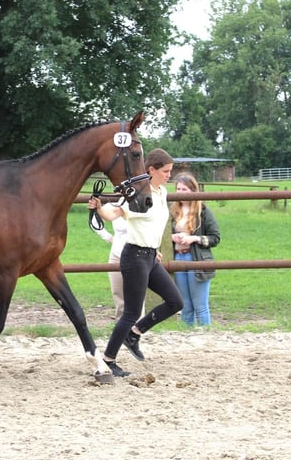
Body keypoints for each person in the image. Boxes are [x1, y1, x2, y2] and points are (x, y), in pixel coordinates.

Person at [87, 148, 183, 377]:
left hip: (150, 256)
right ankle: (108, 360)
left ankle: (135, 333)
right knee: (130, 312)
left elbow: (154, 225)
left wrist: (155, 248)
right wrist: (99, 208)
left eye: (171, 171)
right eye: (166, 171)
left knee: (175, 301)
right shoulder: (139, 195)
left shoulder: (161, 192)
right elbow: (115, 212)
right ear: (151, 170)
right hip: (135, 257)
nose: (169, 175)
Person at [170, 172, 221, 327]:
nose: (180, 193)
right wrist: (172, 238)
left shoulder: (203, 211)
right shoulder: (172, 211)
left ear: (193, 190)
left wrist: (194, 239)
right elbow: (163, 234)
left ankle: (206, 337)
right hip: (178, 258)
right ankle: (187, 336)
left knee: (200, 305)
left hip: (196, 259)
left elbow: (215, 237)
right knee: (185, 305)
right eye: (178, 189)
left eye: (184, 189)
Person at [90, 214, 144, 320]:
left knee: (136, 292)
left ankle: (138, 326)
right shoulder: (115, 205)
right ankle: (121, 325)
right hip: (117, 253)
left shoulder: (141, 205)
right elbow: (94, 220)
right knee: (118, 292)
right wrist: (109, 237)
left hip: (137, 253)